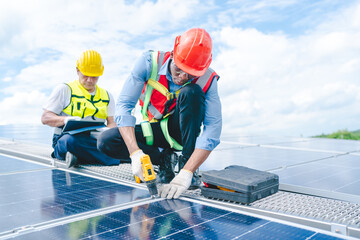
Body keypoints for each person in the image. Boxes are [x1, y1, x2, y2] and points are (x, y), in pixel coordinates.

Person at [98, 28, 222, 199]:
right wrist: (135, 153)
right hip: (154, 129)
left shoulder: (208, 79)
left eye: (190, 74)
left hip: (180, 132)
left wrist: (187, 172)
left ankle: (185, 164)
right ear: (173, 54)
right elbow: (124, 106)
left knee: (191, 91)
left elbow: (212, 130)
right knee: (106, 141)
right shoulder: (149, 62)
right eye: (179, 69)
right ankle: (164, 159)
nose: (182, 77)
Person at [41, 50, 121, 168]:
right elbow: (45, 118)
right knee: (70, 142)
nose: (89, 80)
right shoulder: (64, 90)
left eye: (94, 76)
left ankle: (79, 156)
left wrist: (109, 133)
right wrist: (65, 120)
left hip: (95, 140)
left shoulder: (107, 96)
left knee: (118, 143)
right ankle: (114, 158)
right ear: (77, 71)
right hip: (68, 138)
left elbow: (111, 122)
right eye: (85, 75)